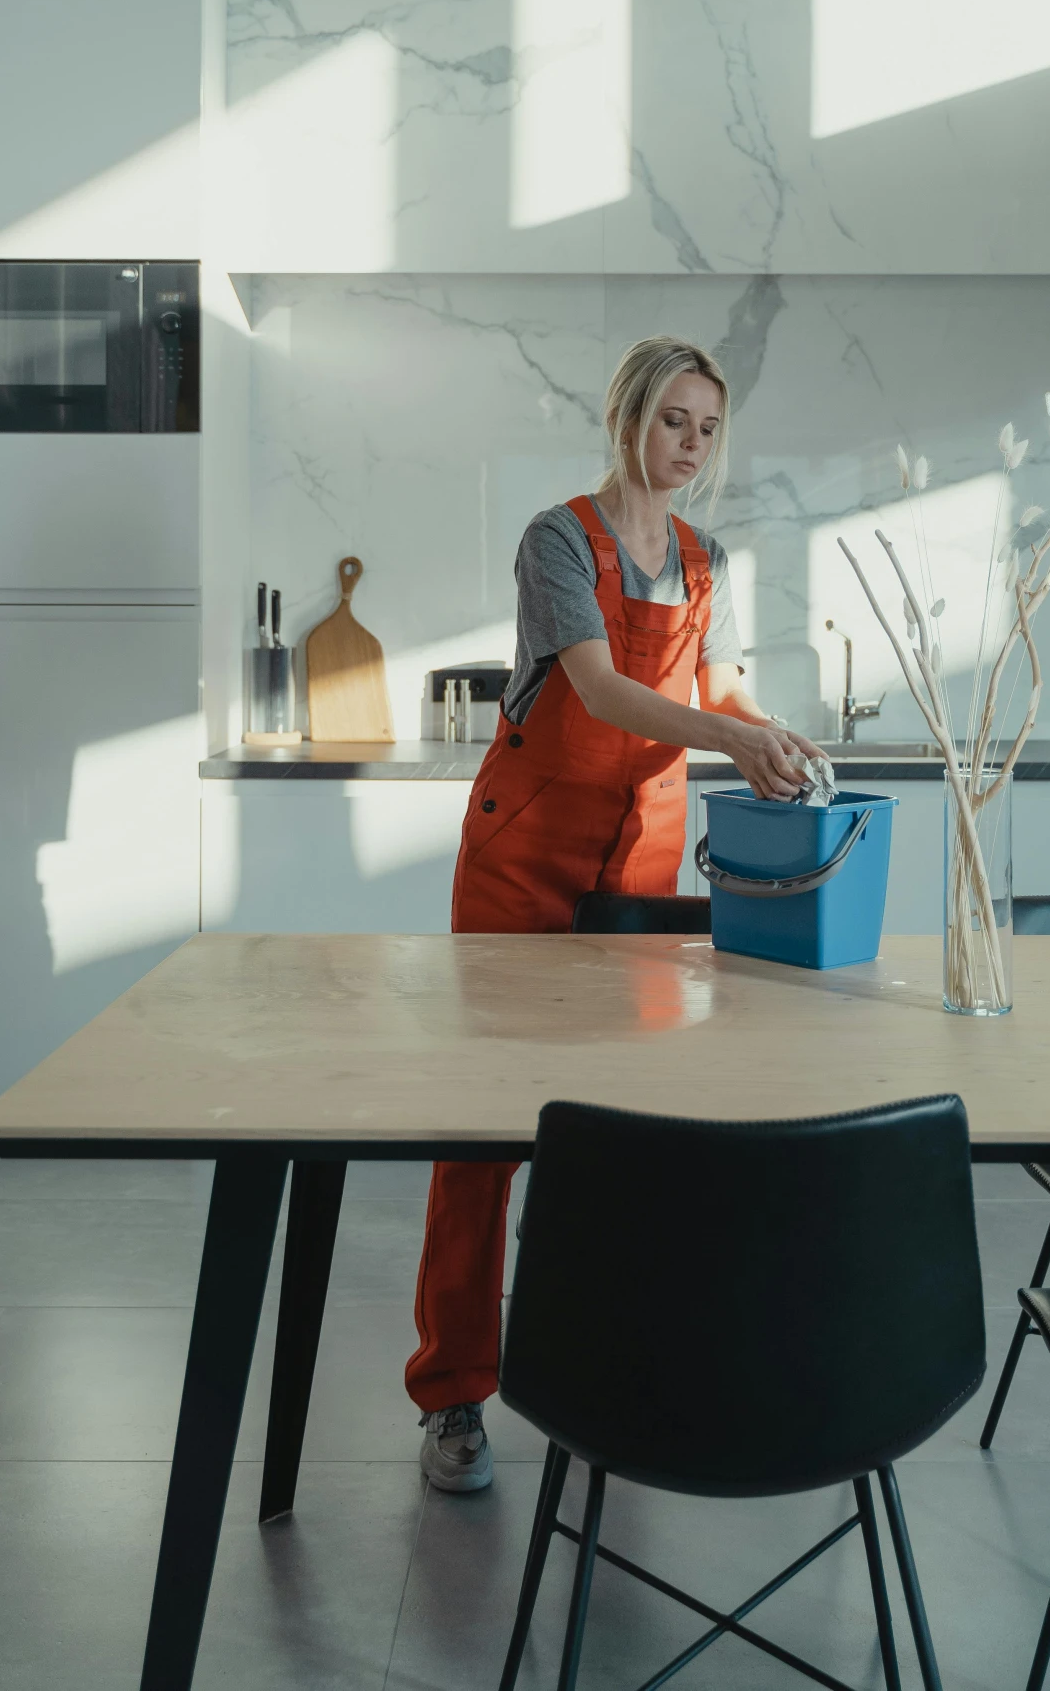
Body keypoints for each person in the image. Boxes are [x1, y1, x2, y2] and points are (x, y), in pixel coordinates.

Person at [409, 335, 820, 1491]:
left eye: (707, 427)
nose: (688, 446)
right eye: (672, 420)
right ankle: (452, 1396)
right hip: (519, 858)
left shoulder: (705, 559)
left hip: (636, 860)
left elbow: (718, 690)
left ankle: (616, 1372)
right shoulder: (560, 538)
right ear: (626, 415)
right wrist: (729, 734)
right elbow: (594, 684)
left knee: (628, 1131)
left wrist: (767, 731)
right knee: (481, 1136)